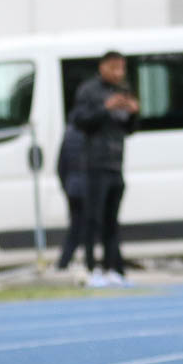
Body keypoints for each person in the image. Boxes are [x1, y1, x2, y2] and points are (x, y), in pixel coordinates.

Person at [71, 52, 138, 288]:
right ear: (103, 67)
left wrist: (133, 112)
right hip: (95, 164)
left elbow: (129, 129)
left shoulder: (124, 90)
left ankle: (113, 269)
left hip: (116, 163)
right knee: (93, 219)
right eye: (114, 68)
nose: (119, 73)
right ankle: (91, 268)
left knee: (112, 221)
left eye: (122, 68)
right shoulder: (89, 91)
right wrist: (105, 107)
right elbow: (79, 120)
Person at [53, 113, 86, 273]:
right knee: (88, 227)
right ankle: (89, 263)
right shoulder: (90, 134)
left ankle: (64, 261)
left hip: (72, 187)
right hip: (88, 187)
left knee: (75, 226)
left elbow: (60, 166)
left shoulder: (68, 134)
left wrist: (66, 186)